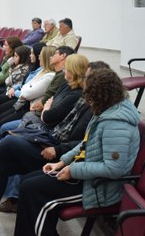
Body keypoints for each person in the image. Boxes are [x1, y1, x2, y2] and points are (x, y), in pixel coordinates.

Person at [0, 54, 91, 231]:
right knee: (1, 162)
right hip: (48, 137)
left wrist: (56, 145)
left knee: (11, 141)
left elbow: (55, 119)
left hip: (54, 151)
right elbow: (51, 114)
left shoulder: (83, 100)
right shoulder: (68, 88)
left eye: (67, 67)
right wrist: (47, 111)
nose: (64, 70)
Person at [15, 68, 140, 236]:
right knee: (27, 182)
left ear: (101, 95)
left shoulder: (116, 124)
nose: (87, 100)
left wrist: (72, 170)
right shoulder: (106, 110)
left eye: (90, 96)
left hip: (99, 188)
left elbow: (114, 169)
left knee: (32, 191)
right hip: (86, 175)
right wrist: (62, 162)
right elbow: (86, 143)